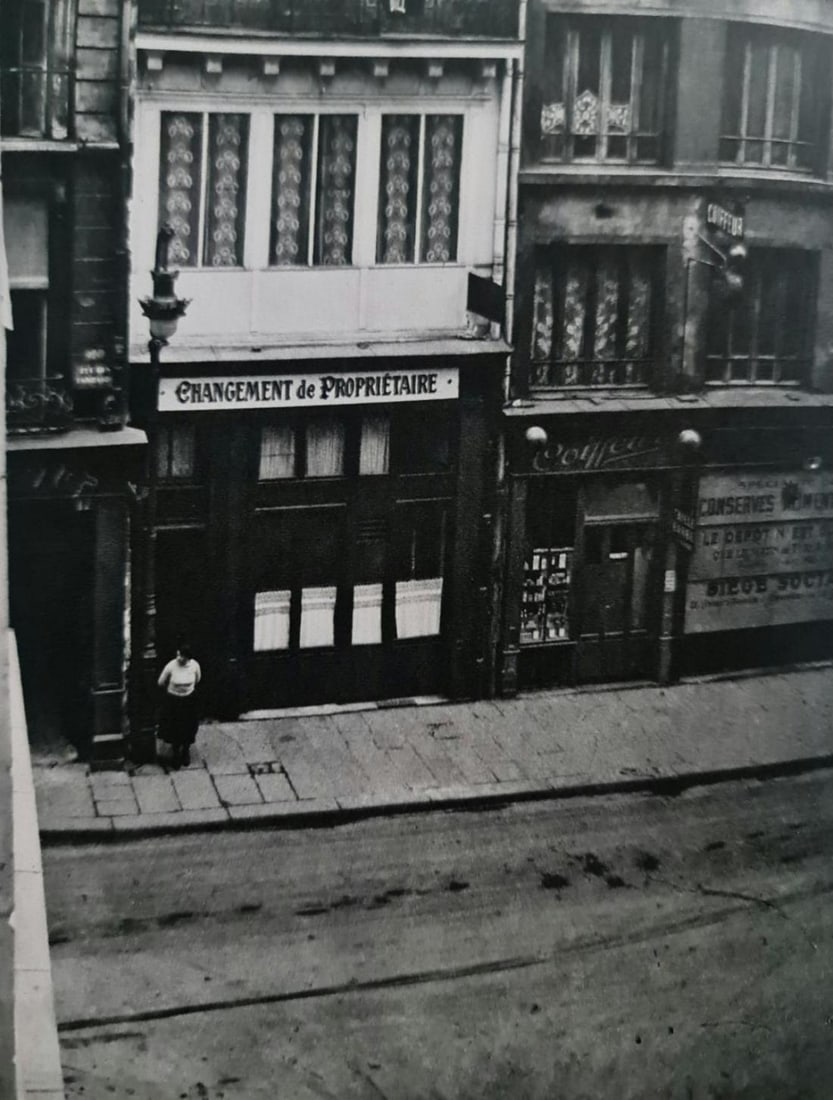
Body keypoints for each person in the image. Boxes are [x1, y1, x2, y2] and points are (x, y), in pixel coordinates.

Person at [157, 642, 201, 768]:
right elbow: (161, 682)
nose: (179, 658)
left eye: (182, 656)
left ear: (188, 658)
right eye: (178, 654)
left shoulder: (194, 666)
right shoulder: (171, 666)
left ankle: (185, 751)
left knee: (188, 727)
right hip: (174, 702)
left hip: (188, 701)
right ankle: (176, 754)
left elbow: (198, 679)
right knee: (174, 728)